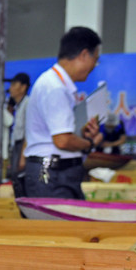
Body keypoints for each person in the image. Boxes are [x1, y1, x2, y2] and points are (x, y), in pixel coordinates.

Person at [24, 27, 104, 199]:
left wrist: (81, 135)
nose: (93, 67)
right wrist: (89, 143)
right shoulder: (55, 88)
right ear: (84, 55)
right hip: (52, 175)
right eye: (95, 60)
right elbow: (62, 140)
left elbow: (59, 135)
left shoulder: (55, 84)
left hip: (54, 172)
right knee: (56, 225)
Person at [6, 73, 30, 195]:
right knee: (16, 181)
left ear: (23, 87)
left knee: (22, 182)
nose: (11, 88)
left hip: (23, 147)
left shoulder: (28, 103)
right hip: (17, 146)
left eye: (14, 84)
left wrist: (22, 156)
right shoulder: (18, 106)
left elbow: (29, 131)